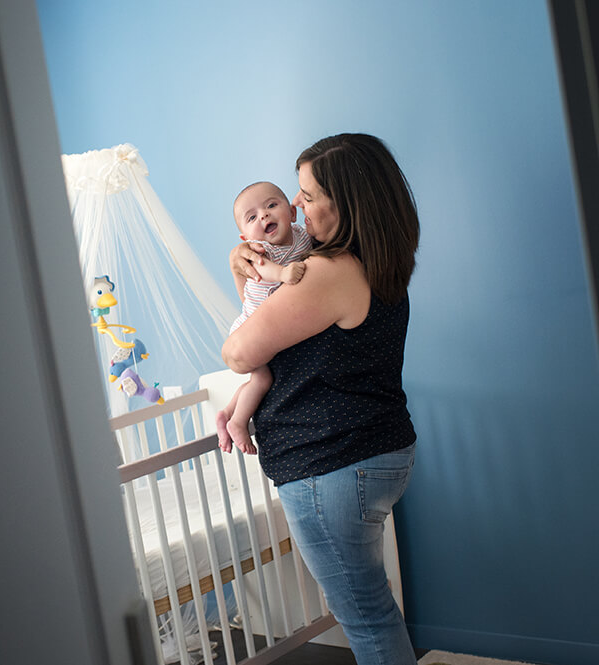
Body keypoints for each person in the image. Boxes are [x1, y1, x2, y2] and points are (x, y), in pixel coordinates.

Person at [221, 133, 420, 665]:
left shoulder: (327, 273)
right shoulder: (375, 262)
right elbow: (320, 359)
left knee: (366, 616)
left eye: (306, 195)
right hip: (374, 449)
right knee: (372, 607)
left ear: (347, 200)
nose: (295, 206)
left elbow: (239, 351)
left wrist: (242, 271)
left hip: (331, 465)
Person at [216, 181, 312, 455]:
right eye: (252, 217)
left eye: (272, 205)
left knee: (257, 381)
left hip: (261, 324)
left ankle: (226, 413)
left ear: (292, 213)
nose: (264, 215)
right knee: (261, 381)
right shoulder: (260, 250)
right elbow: (263, 268)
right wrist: (282, 275)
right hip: (249, 324)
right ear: (246, 237)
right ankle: (237, 422)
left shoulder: (301, 235)